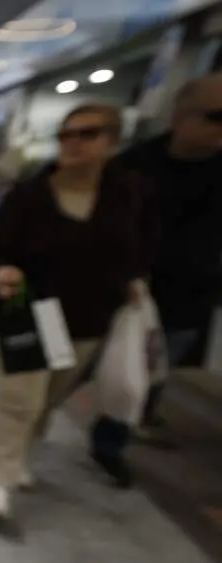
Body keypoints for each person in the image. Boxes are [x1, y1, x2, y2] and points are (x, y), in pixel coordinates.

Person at [0, 104, 146, 522]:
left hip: (87, 316)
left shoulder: (129, 194)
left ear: (112, 142)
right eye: (67, 135)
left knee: (49, 399)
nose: (74, 144)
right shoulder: (28, 196)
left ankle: (21, 455)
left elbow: (142, 245)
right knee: (19, 400)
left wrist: (134, 279)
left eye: (88, 134)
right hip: (28, 312)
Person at [89, 73, 222, 482]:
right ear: (181, 117)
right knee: (83, 368)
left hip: (189, 295)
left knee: (148, 374)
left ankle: (111, 442)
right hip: (121, 291)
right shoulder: (132, 168)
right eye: (216, 116)